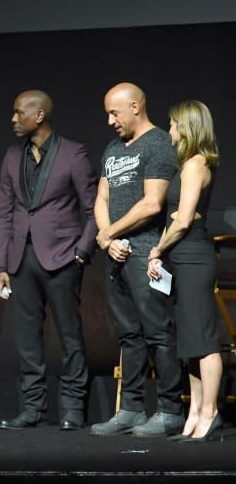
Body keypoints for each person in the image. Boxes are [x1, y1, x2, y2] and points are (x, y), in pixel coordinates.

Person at [0, 90, 98, 431]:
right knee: (26, 338)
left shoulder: (73, 153)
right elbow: (4, 213)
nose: (12, 119)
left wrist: (82, 252)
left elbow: (93, 208)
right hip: (21, 259)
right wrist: (0, 265)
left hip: (63, 257)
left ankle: (72, 409)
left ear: (38, 116)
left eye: (18, 112)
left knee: (69, 336)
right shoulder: (12, 156)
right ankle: (33, 408)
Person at [90, 82, 184, 437]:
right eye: (107, 115)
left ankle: (170, 410)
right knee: (129, 335)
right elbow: (101, 197)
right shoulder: (113, 149)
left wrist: (109, 233)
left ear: (135, 106)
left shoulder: (158, 143)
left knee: (158, 333)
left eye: (115, 113)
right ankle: (130, 408)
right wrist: (108, 238)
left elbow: (152, 203)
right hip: (115, 253)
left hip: (147, 252)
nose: (111, 121)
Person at [147, 100, 222, 442]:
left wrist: (157, 249)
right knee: (190, 342)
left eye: (173, 124)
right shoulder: (188, 165)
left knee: (203, 340)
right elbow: (175, 220)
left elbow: (184, 217)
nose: (169, 131)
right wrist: (162, 252)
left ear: (187, 127)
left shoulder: (195, 164)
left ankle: (211, 412)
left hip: (193, 257)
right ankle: (194, 412)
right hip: (182, 255)